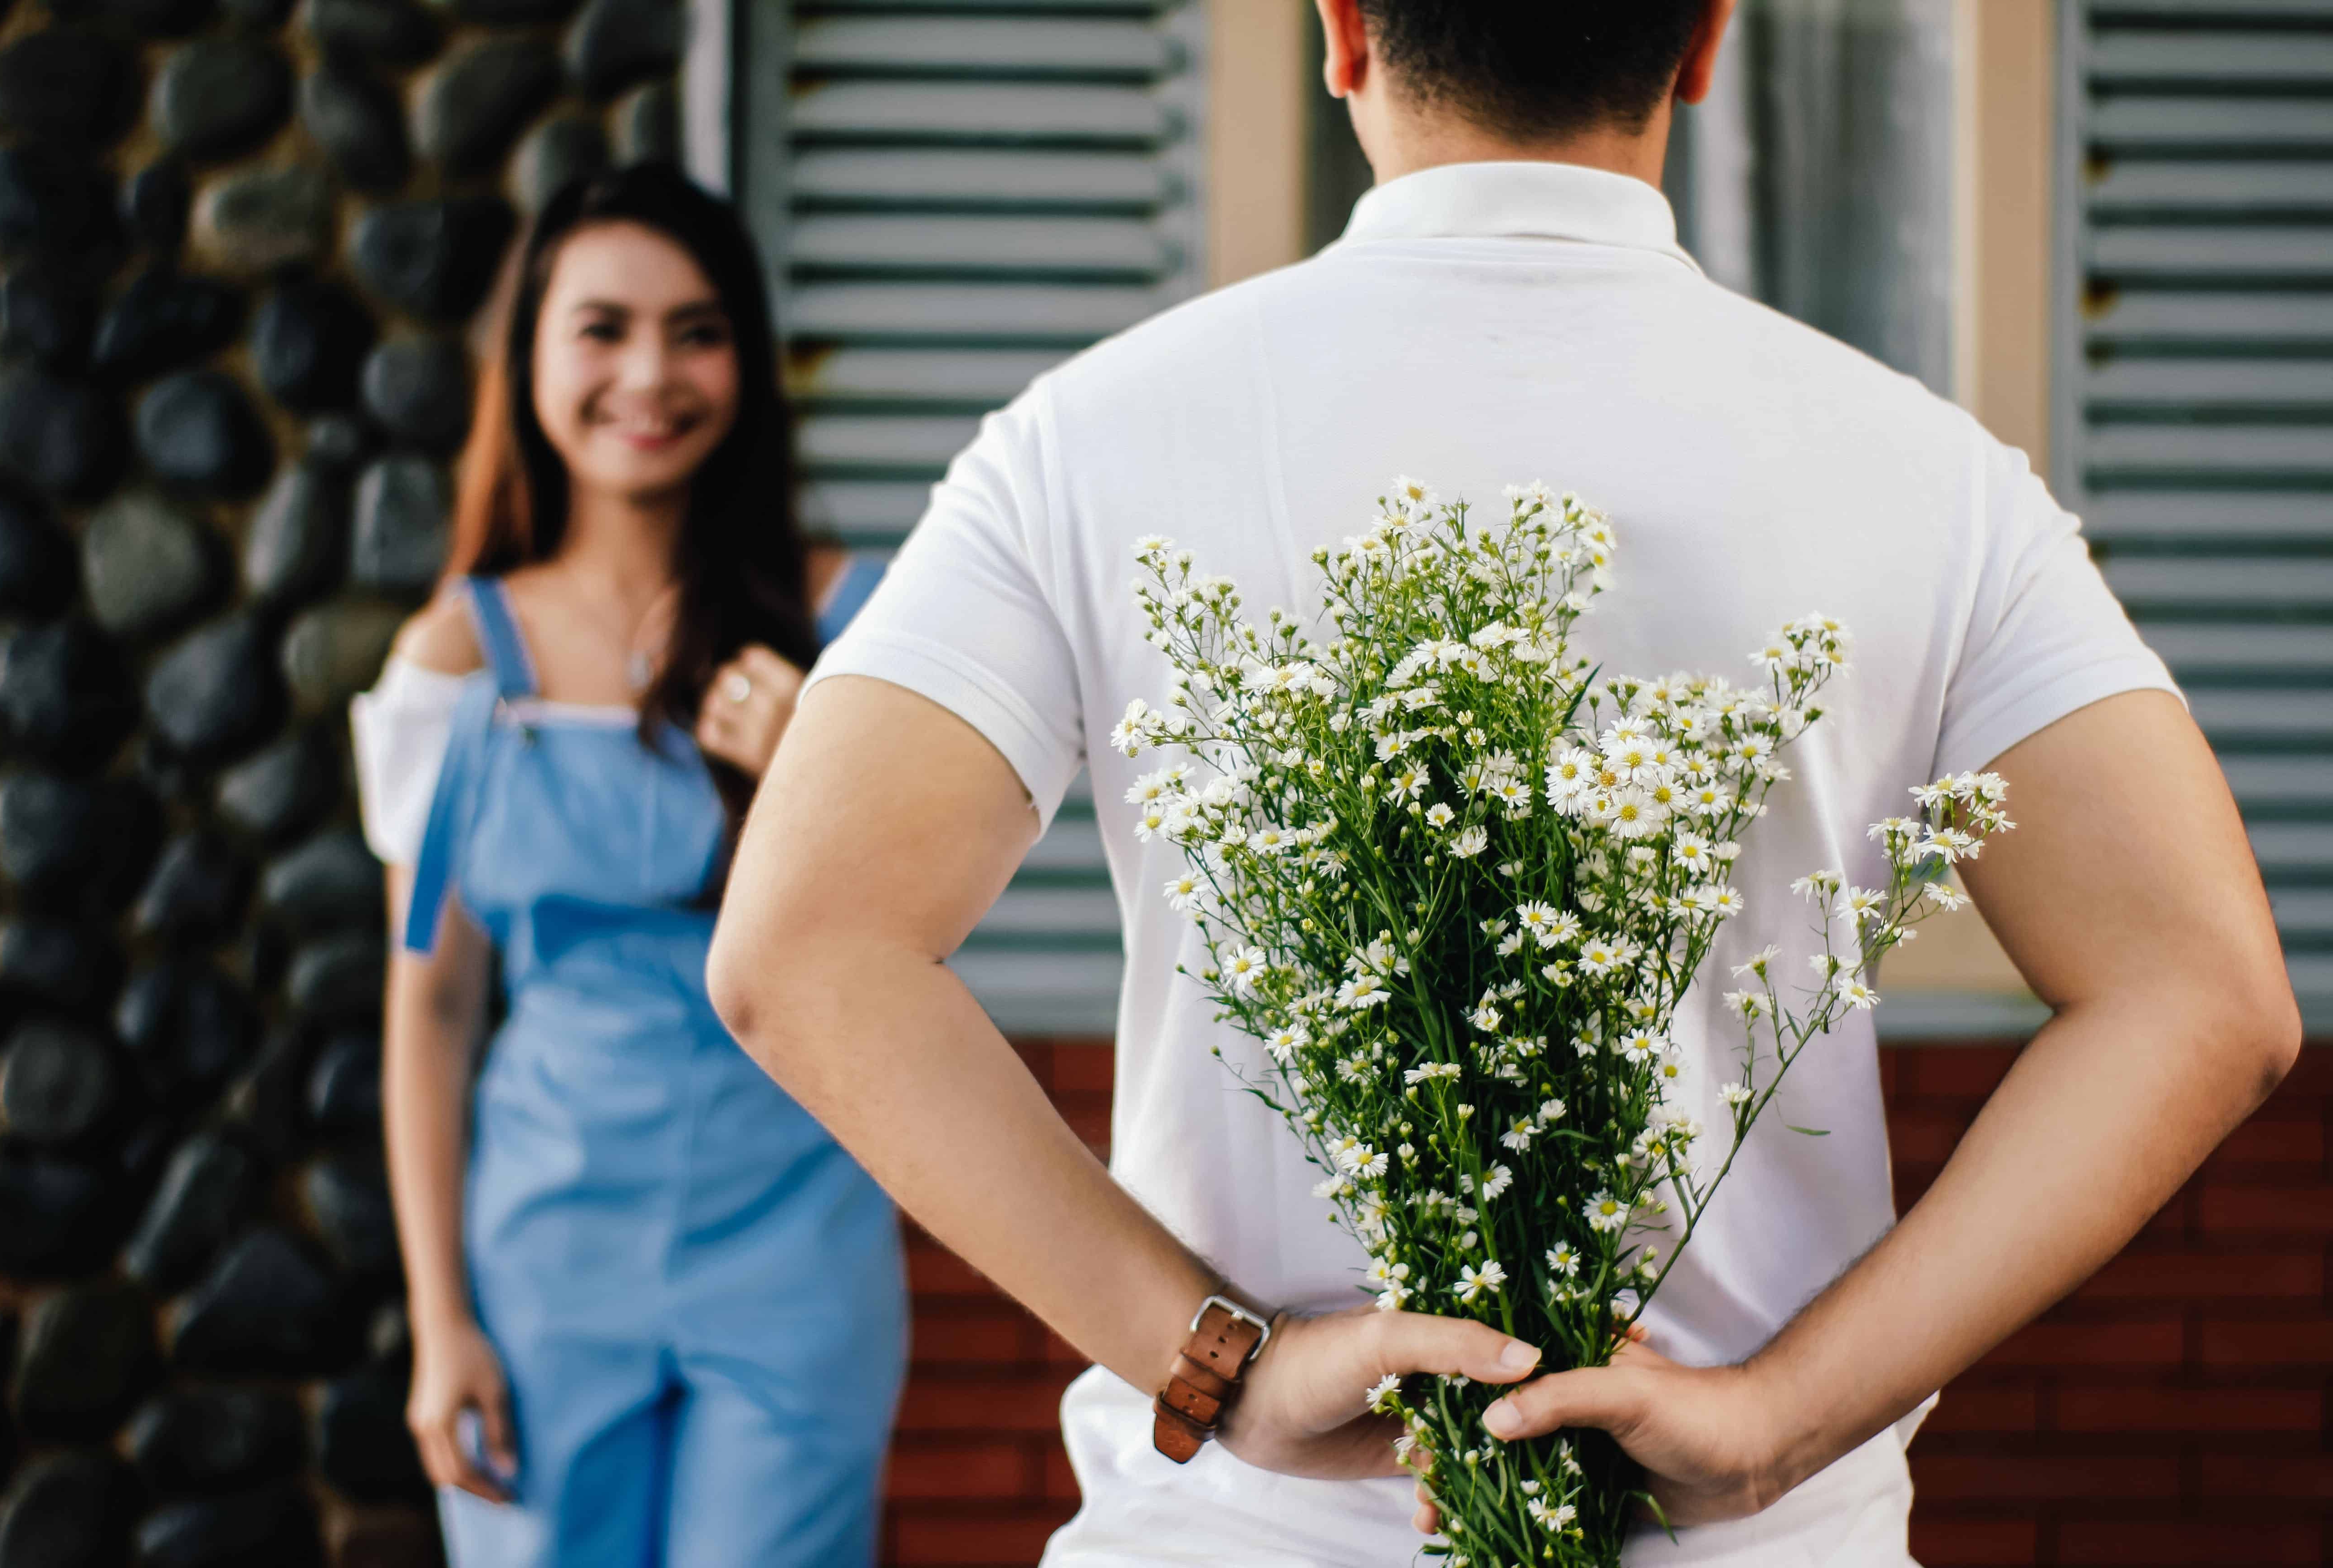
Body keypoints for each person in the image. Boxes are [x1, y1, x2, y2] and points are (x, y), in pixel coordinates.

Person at [704, 2, 2301, 1564]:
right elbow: (2207, 995)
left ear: (1342, 34)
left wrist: (1222, 1368)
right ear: (1702, 44)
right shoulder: (1934, 475)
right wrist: (1781, 1417)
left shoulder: (1090, 440)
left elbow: (802, 951)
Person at [352, 164, 902, 1568]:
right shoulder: (460, 656)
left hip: (798, 1247)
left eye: (698, 329)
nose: (649, 373)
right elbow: (431, 1007)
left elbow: (921, 953)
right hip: (543, 1258)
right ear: (529, 353)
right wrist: (441, 1323)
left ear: (748, 362)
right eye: (602, 328)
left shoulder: (854, 625)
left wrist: (810, 787)